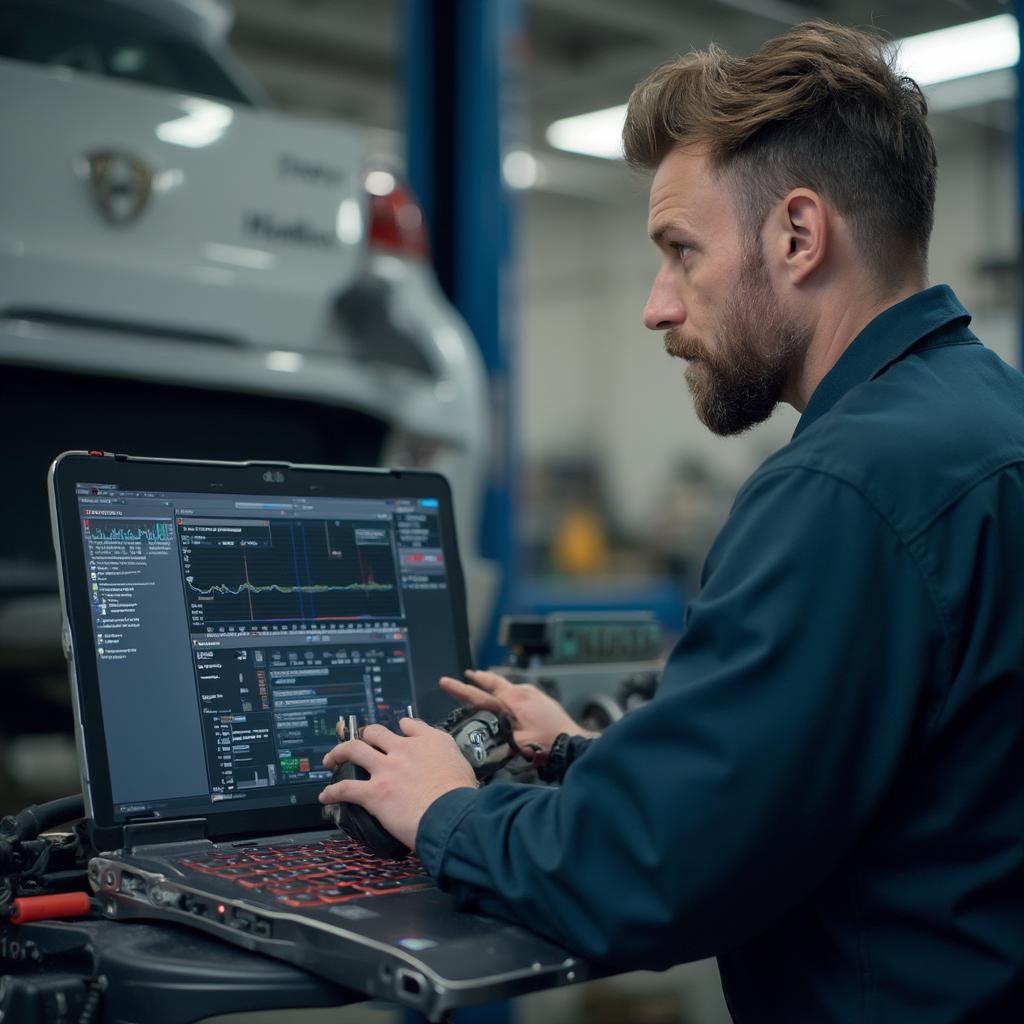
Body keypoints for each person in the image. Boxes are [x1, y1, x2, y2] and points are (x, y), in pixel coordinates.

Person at [320, 21, 1024, 1021]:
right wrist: (579, 758)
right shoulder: (986, 421)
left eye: (680, 252)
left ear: (797, 235)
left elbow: (646, 876)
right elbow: (825, 782)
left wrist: (444, 809)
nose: (657, 306)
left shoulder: (843, 488)